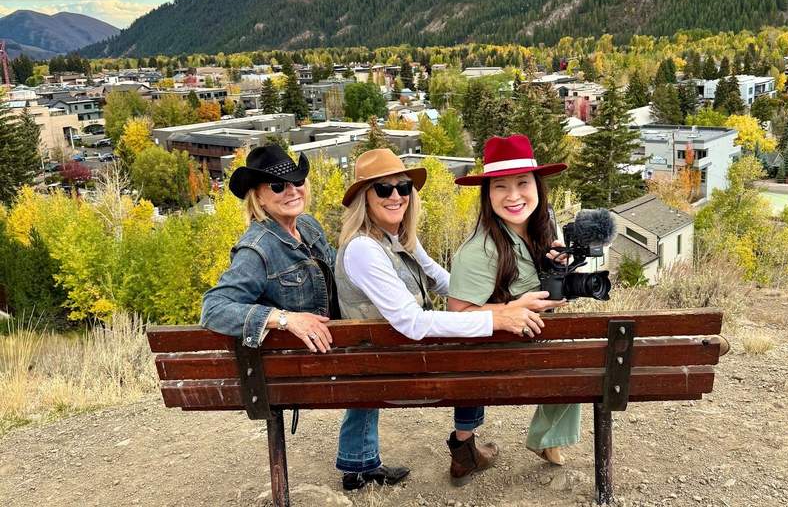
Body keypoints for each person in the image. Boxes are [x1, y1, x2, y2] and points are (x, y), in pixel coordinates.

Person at [335, 148, 553, 490]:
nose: (396, 196)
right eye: (383, 189)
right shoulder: (364, 249)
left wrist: (495, 302)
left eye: (403, 187)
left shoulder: (396, 238)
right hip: (391, 359)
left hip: (380, 352)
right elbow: (413, 323)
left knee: (469, 329)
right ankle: (464, 445)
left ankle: (361, 463)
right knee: (474, 346)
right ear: (364, 197)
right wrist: (496, 319)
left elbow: (442, 280)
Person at [448, 134, 580, 470]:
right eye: (500, 187)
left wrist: (558, 265)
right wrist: (509, 309)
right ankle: (546, 438)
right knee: (576, 355)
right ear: (487, 193)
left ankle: (546, 439)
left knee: (574, 348)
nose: (513, 196)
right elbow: (457, 315)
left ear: (537, 185)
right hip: (499, 354)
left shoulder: (544, 221)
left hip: (537, 341)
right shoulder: (476, 252)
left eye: (523, 183)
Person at [200, 144, 337, 353]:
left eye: (297, 180)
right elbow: (213, 309)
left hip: (334, 353)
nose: (292, 190)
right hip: (299, 366)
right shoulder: (257, 249)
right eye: (277, 186)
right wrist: (286, 319)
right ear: (259, 198)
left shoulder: (308, 225)